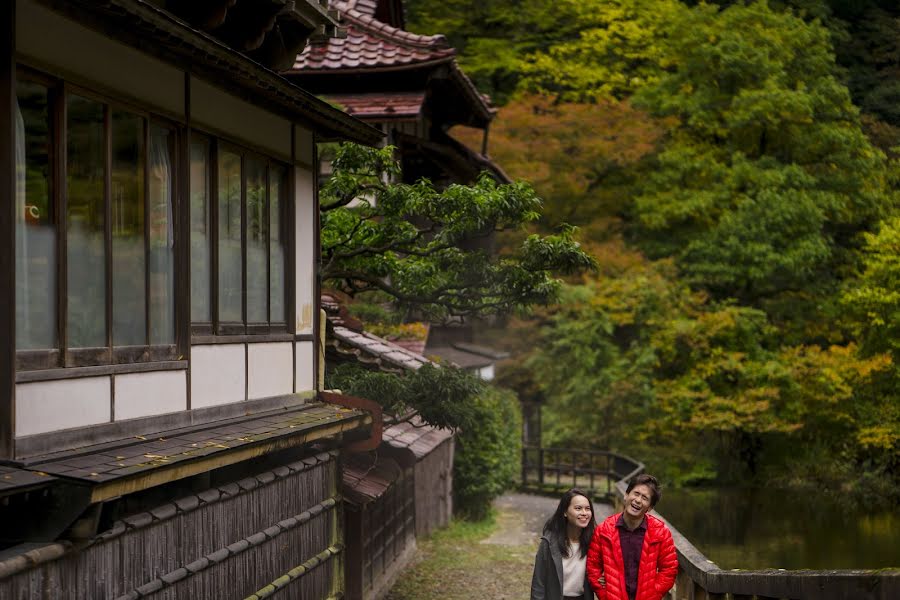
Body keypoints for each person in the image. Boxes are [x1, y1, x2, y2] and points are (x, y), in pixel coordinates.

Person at [586, 474, 677, 600]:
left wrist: (653, 593)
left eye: (645, 498)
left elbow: (669, 570)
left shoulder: (660, 532)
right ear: (626, 495)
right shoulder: (604, 530)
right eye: (636, 493)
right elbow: (593, 567)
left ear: (650, 507)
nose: (638, 500)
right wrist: (605, 594)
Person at [531, 488, 598, 600]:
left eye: (588, 509)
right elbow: (538, 584)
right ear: (565, 512)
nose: (584, 513)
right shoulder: (548, 542)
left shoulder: (594, 542)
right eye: (578, 508)